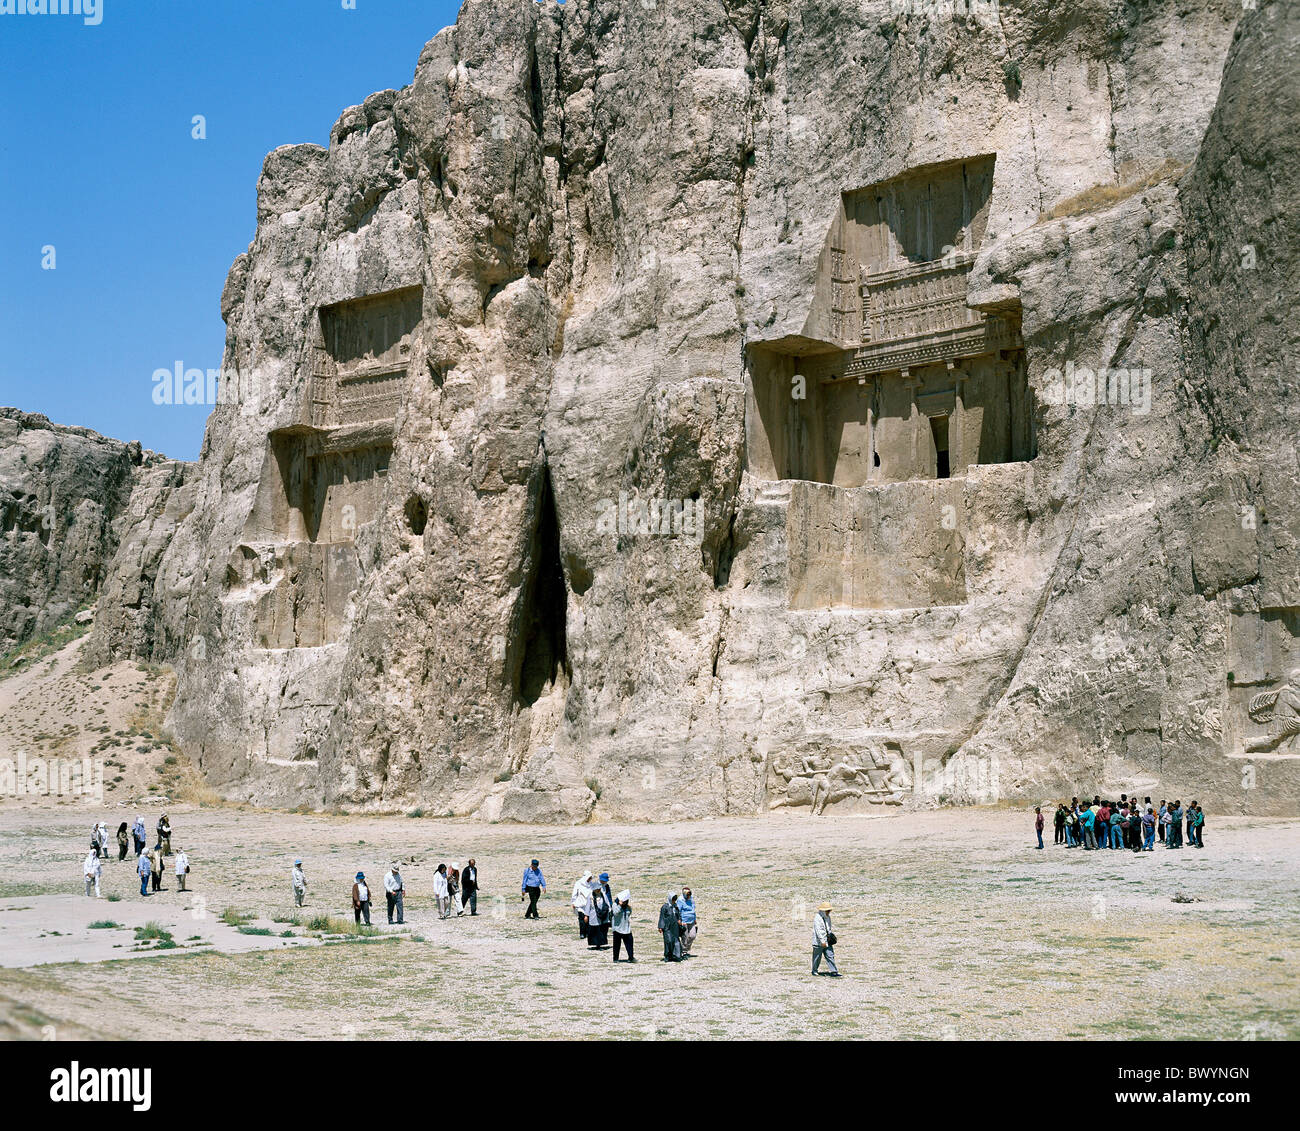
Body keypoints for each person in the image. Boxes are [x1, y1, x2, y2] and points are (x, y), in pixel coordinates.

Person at [812, 901, 840, 976]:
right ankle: (814, 970)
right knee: (817, 957)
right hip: (819, 942)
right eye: (828, 910)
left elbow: (828, 928)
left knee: (830, 955)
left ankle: (834, 970)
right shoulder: (817, 918)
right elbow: (818, 931)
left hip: (827, 940)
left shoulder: (827, 917)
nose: (829, 912)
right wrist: (822, 941)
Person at [586, 877, 611, 949]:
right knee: (595, 930)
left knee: (601, 930)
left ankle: (600, 944)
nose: (598, 890)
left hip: (603, 915)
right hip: (594, 915)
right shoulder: (590, 896)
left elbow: (607, 903)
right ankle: (596, 944)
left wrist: (609, 911)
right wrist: (586, 915)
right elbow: (587, 906)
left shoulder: (603, 895)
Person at [658, 891, 682, 962]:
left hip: (675, 927)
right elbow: (661, 917)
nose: (674, 900)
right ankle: (668, 956)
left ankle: (676, 956)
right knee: (668, 941)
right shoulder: (665, 907)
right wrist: (660, 927)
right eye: (673, 899)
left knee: (676, 941)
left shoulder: (676, 906)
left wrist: (680, 920)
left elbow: (679, 915)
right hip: (667, 927)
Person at [611, 890, 635, 962]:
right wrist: (620, 905)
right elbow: (615, 913)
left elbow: (629, 913)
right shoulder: (615, 905)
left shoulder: (628, 907)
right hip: (617, 928)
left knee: (630, 944)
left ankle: (631, 957)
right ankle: (615, 958)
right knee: (616, 945)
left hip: (626, 928)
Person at [571, 870, 594, 937]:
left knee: (588, 919)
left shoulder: (591, 884)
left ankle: (587, 932)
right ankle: (582, 933)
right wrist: (573, 902)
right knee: (581, 919)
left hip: (589, 903)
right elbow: (574, 893)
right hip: (580, 903)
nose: (589, 879)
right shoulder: (578, 883)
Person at [679, 886, 698, 955]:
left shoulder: (691, 899)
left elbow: (693, 909)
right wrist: (680, 920)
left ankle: (686, 949)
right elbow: (678, 911)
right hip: (684, 921)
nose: (689, 896)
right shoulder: (680, 900)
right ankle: (683, 951)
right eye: (687, 894)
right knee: (685, 936)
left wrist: (695, 918)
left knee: (692, 935)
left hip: (692, 920)